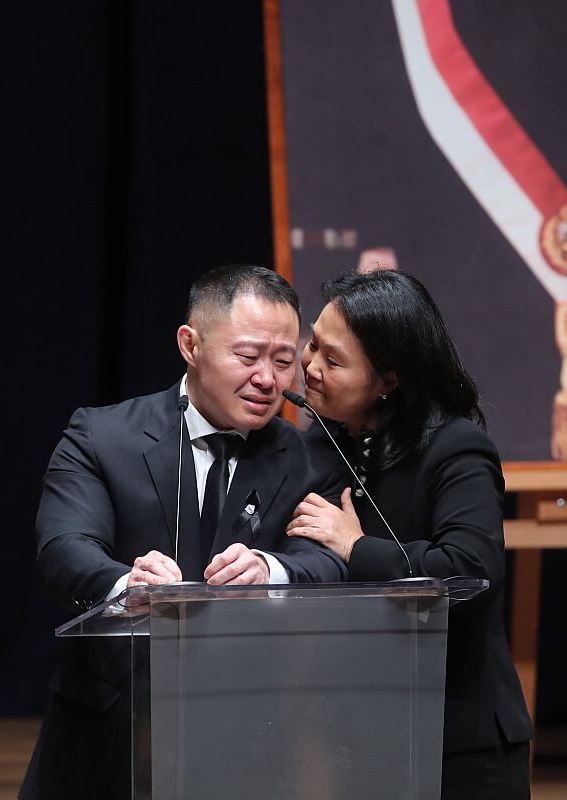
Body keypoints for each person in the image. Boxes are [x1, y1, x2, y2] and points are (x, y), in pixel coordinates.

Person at [21, 265, 347, 800]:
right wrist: (127, 585)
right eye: (248, 357)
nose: (268, 379)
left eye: (284, 360)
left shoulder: (312, 459)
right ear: (190, 345)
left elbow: (328, 558)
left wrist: (274, 569)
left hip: (258, 731)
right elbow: (63, 547)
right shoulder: (101, 436)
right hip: (113, 724)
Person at [286, 269, 533, 799]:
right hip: (356, 736)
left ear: (388, 381)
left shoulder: (456, 448)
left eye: (333, 360)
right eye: (313, 345)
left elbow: (470, 572)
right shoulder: (321, 443)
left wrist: (354, 547)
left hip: (459, 740)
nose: (309, 366)